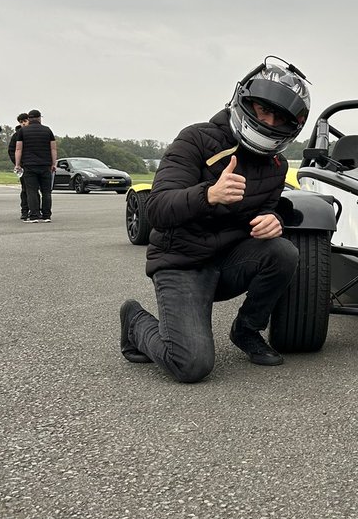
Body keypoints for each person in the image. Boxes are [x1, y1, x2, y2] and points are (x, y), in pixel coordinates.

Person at [119, 58, 310, 383]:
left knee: (283, 251)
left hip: (227, 262)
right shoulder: (195, 139)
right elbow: (156, 210)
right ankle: (134, 320)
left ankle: (246, 330)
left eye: (279, 117)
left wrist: (271, 219)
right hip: (181, 263)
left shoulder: (276, 166)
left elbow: (265, 208)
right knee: (191, 364)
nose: (268, 121)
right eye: (263, 109)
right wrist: (209, 194)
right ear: (243, 101)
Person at [15, 109, 57, 222]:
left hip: (29, 165)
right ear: (39, 118)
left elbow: (18, 149)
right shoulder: (47, 130)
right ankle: (47, 215)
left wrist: (18, 164)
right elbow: (53, 148)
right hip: (45, 164)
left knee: (31, 191)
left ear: (29, 118)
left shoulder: (23, 131)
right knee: (46, 192)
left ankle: (34, 215)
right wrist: (54, 163)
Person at [7, 113, 30, 219]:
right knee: (25, 189)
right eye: (21, 122)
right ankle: (24, 210)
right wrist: (18, 163)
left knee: (34, 190)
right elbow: (11, 150)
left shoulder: (35, 133)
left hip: (34, 164)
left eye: (25, 121)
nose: (23, 124)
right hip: (23, 166)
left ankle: (35, 209)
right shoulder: (16, 135)